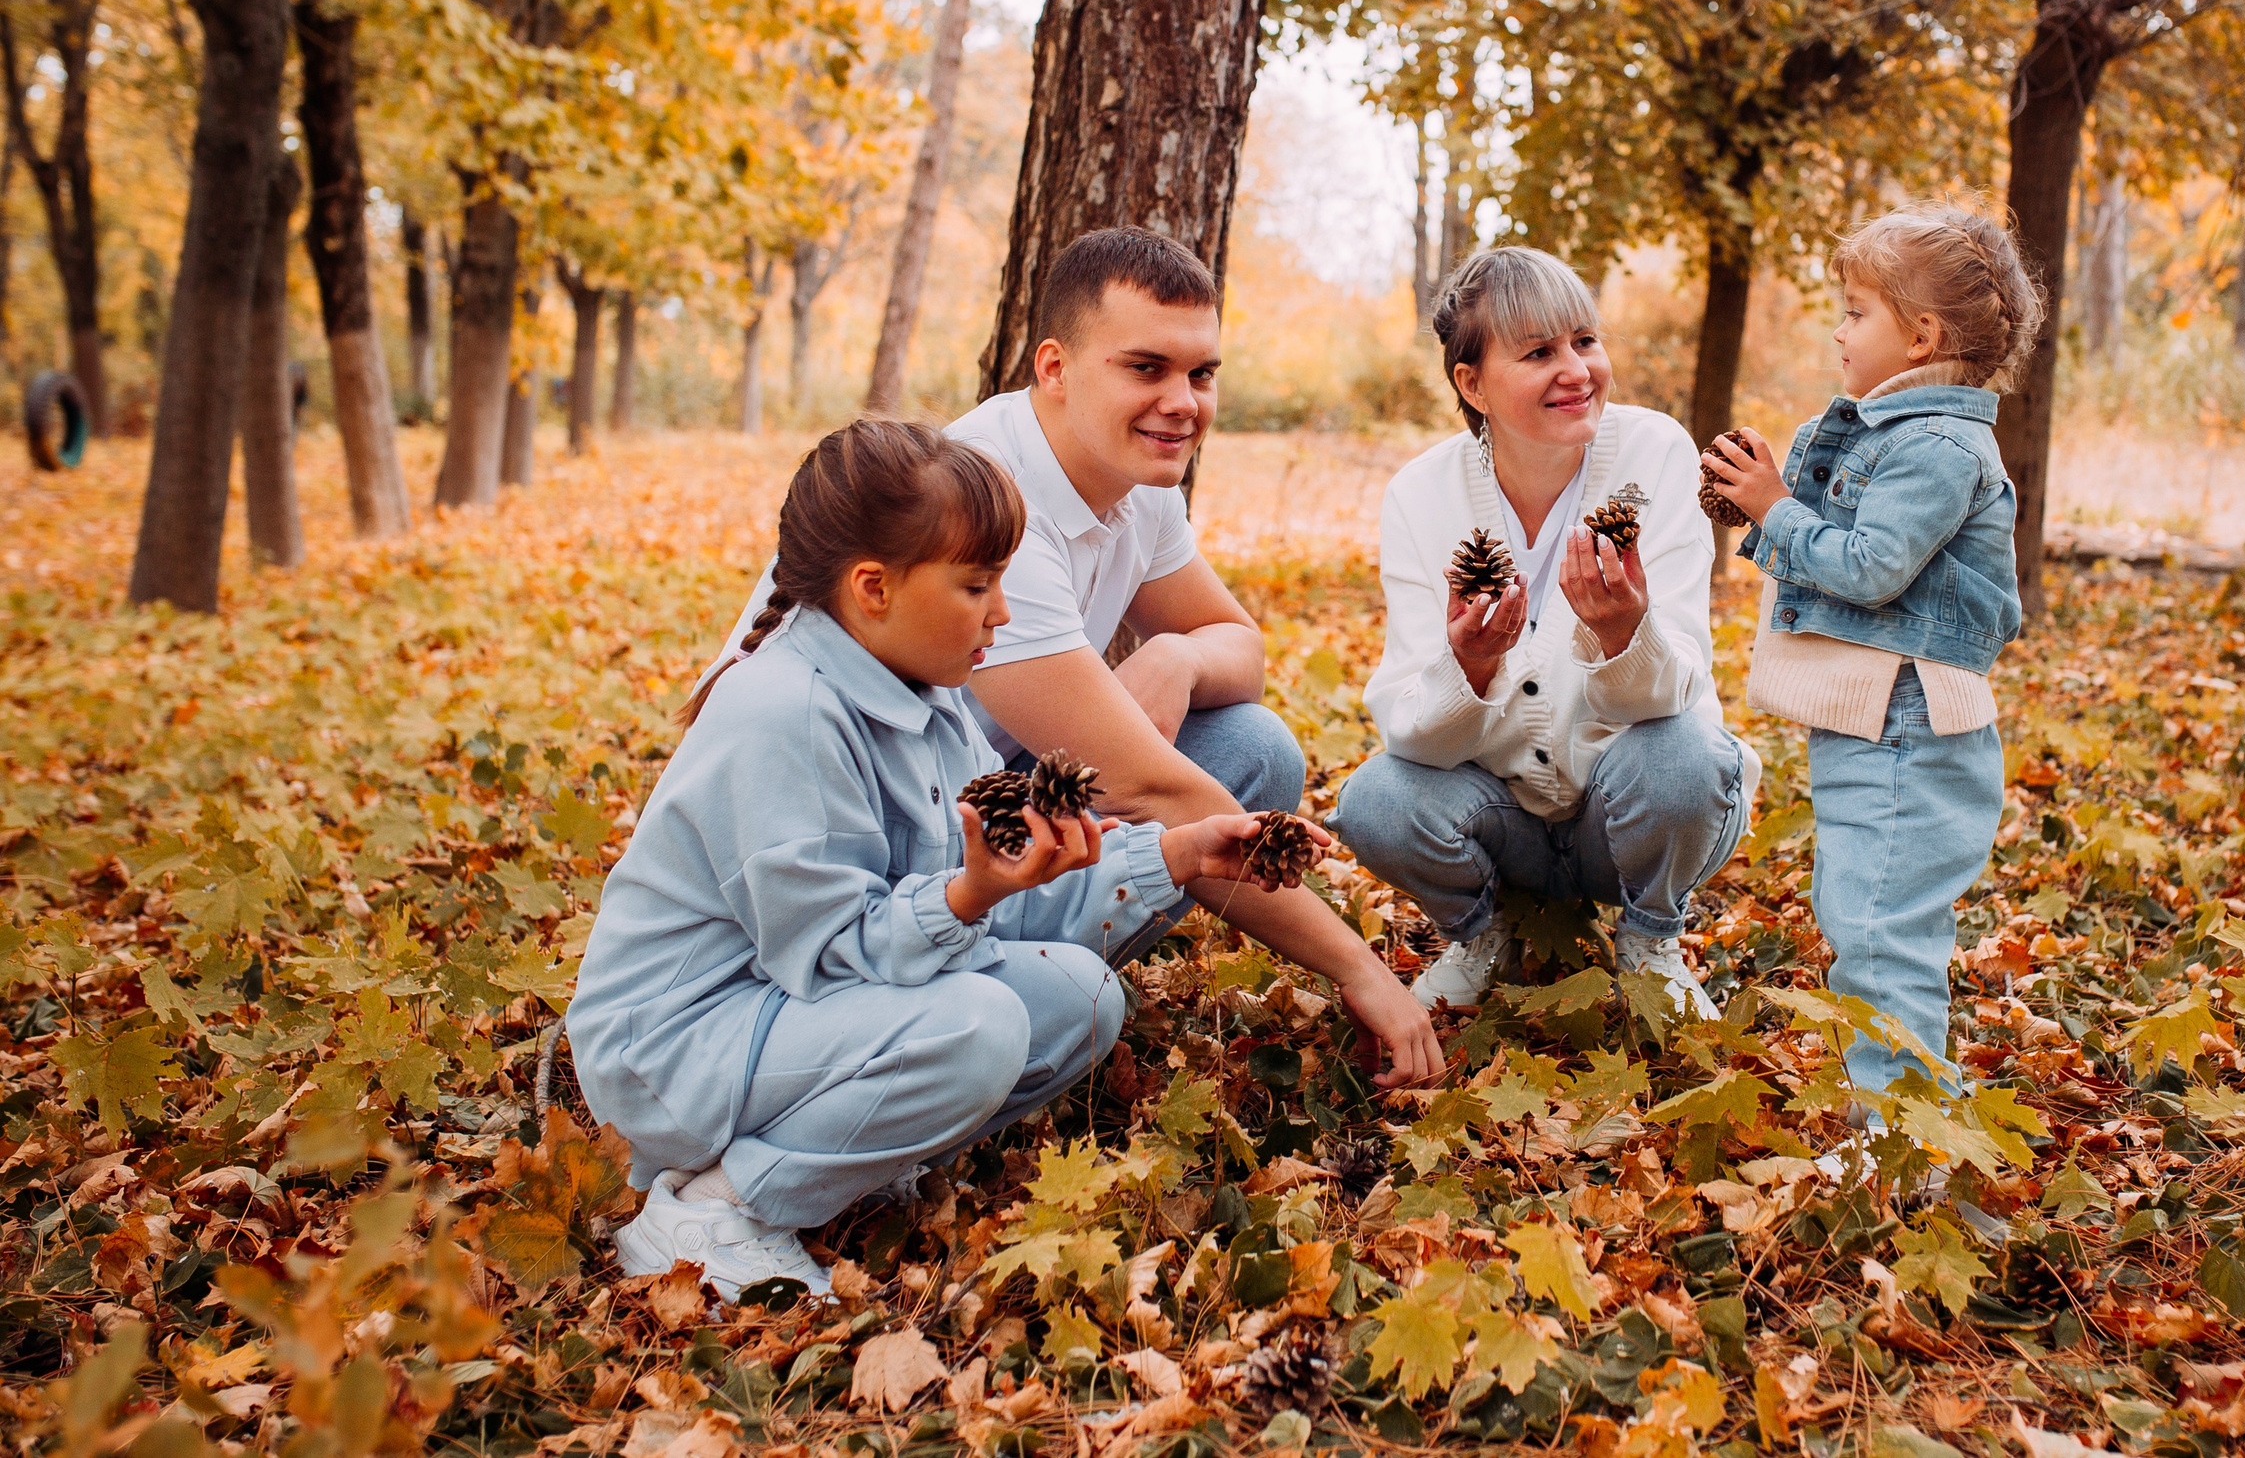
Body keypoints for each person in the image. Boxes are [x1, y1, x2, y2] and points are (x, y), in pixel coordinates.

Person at [572, 419, 1302, 1301]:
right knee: (978, 1027)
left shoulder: (928, 690)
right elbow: (830, 956)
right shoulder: (785, 715)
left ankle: (847, 1158)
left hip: (783, 1022)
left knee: (1080, 999)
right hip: (677, 1050)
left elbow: (1012, 905)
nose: (1002, 611)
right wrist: (963, 898)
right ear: (873, 588)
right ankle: (716, 1209)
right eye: (976, 586)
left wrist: (1176, 855)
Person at [709, 227, 1443, 1086]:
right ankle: (989, 1002)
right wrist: (1361, 968)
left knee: (1253, 750)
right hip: (861, 836)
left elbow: (1240, 648)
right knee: (1182, 787)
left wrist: (1174, 656)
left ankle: (1043, 989)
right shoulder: (983, 503)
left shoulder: (1138, 474)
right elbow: (1149, 787)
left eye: (1201, 374)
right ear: (1054, 369)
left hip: (971, 795)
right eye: (1146, 368)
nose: (1183, 402)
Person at [1330, 247, 1758, 1019]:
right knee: (1374, 798)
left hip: (1627, 808)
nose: (1576, 370)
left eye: (1585, 341)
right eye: (1538, 353)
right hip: (1502, 822)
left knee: (1689, 756)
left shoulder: (1654, 453)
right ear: (1472, 382)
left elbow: (1684, 682)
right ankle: (1485, 930)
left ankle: (1651, 935)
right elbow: (1409, 733)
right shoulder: (1421, 496)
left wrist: (1626, 636)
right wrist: (1467, 667)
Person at [1703, 201, 2043, 1104]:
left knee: (1881, 929)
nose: (1839, 329)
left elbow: (1872, 566)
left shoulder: (1936, 445)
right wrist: (1771, 491)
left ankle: (1900, 1136)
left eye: (1857, 311)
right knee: (1862, 918)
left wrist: (1777, 509)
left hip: (1909, 725)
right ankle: (1903, 1117)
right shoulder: (1892, 434)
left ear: (1922, 335)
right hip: (1879, 719)